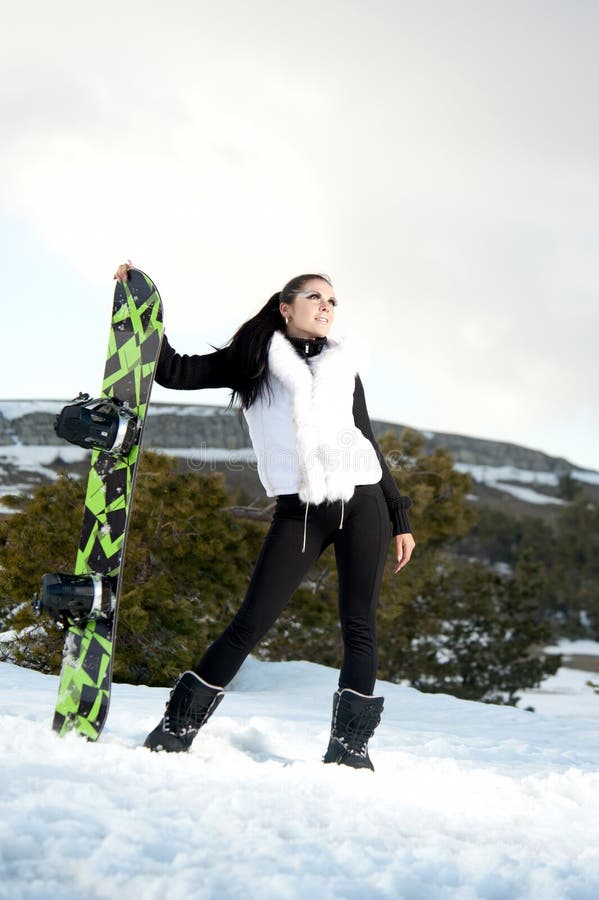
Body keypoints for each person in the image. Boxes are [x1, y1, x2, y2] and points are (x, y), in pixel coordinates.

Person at [113, 262, 415, 771]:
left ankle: (350, 749)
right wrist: (143, 309)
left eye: (333, 301)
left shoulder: (344, 364)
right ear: (285, 306)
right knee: (249, 623)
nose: (326, 307)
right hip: (301, 510)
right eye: (316, 298)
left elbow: (365, 437)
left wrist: (399, 515)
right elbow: (173, 371)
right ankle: (176, 727)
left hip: (363, 503)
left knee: (360, 626)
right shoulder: (253, 359)